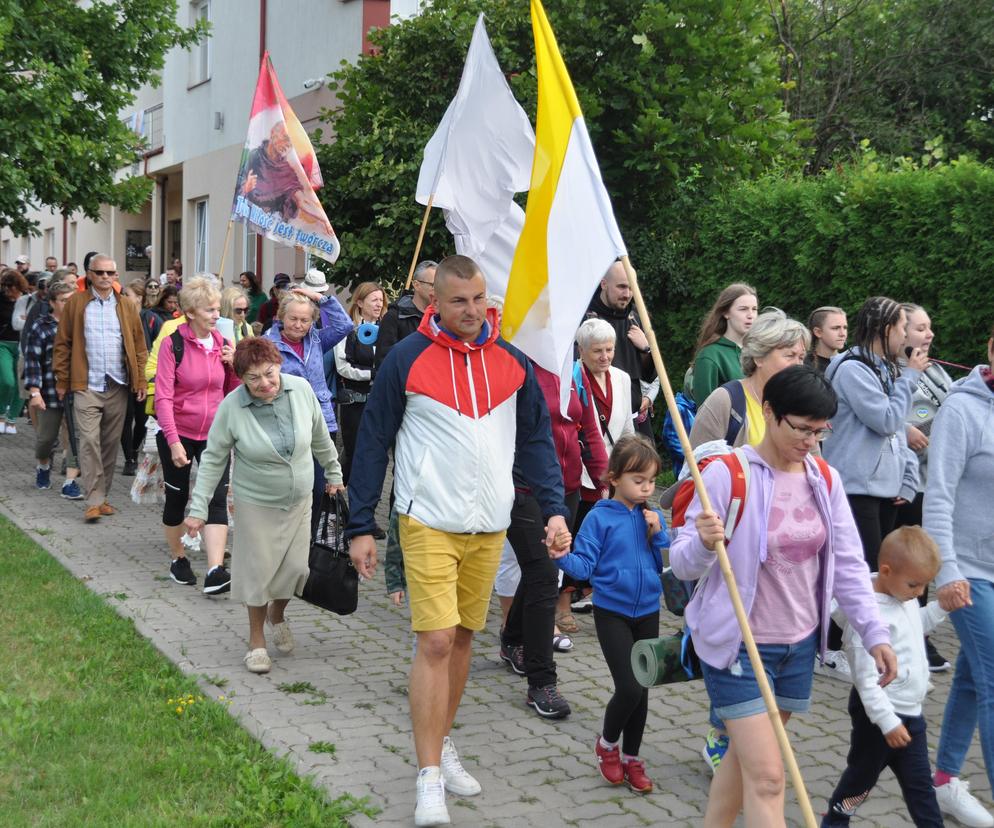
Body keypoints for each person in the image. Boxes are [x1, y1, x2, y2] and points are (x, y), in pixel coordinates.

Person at [345, 254, 571, 827]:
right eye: (458, 302)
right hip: (426, 520)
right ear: (435, 303)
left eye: (478, 300)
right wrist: (360, 526)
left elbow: (537, 441)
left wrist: (553, 509)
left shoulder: (512, 361)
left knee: (466, 637)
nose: (471, 311)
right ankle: (427, 778)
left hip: (489, 523)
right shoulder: (406, 358)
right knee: (437, 640)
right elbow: (372, 440)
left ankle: (442, 744)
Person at [670, 365, 896, 828]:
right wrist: (703, 543)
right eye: (801, 429)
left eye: (820, 431)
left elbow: (850, 564)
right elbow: (681, 564)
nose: (811, 441)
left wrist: (875, 634)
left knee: (742, 764)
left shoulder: (825, 480)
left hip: (798, 647)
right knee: (771, 778)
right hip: (739, 647)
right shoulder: (727, 475)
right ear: (769, 413)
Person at [184, 337, 344, 673]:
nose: (264, 383)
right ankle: (256, 640)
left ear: (279, 366)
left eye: (269, 373)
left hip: (300, 499)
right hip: (256, 502)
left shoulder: (301, 390)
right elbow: (213, 459)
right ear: (241, 379)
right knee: (257, 574)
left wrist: (334, 473)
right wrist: (198, 508)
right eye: (253, 378)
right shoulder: (232, 407)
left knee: (297, 568)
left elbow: (320, 438)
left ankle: (278, 614)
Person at [550, 434, 668, 793]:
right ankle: (607, 745)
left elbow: (666, 556)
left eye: (651, 481)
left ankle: (632, 758)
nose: (646, 488)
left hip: (648, 610)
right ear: (614, 478)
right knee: (629, 687)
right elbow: (584, 565)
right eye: (638, 480)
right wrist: (560, 557)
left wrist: (659, 534)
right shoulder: (599, 518)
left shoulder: (652, 514)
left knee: (643, 689)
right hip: (612, 612)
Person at [821, 297, 928, 679]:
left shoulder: (885, 368)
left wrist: (905, 478)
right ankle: (831, 647)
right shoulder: (852, 368)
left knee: (875, 572)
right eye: (902, 328)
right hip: (854, 485)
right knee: (864, 571)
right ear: (885, 330)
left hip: (883, 487)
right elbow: (885, 420)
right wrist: (912, 377)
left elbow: (898, 431)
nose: (907, 335)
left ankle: (871, 649)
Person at [500, 362, 609, 719]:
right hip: (522, 486)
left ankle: (512, 639)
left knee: (541, 573)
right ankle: (541, 682)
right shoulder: (514, 364)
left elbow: (588, 425)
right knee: (546, 573)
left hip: (567, 487)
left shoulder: (572, 371)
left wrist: (603, 477)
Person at [822, 526, 946, 827]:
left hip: (911, 716)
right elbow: (866, 682)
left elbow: (918, 624)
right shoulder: (867, 618)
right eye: (914, 585)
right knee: (858, 784)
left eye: (924, 587)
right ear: (886, 571)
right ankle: (834, 822)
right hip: (878, 718)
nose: (918, 593)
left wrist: (942, 607)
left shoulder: (903, 597)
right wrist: (888, 722)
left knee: (921, 790)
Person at [924, 323, 994, 828]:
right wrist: (945, 570)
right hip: (969, 571)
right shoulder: (962, 409)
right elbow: (940, 493)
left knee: (973, 678)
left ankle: (946, 781)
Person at [154, 277, 238, 593]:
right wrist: (174, 441)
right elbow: (163, 397)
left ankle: (216, 570)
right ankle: (178, 559)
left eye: (218, 309)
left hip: (214, 435)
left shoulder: (222, 344)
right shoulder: (172, 344)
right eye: (210, 310)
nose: (217, 315)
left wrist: (233, 368)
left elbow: (231, 394)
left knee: (217, 499)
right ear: (190, 312)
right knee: (178, 498)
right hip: (179, 433)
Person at [53, 254, 148, 522]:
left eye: (111, 273)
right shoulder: (77, 304)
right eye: (100, 273)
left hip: (117, 384)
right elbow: (63, 344)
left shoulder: (127, 306)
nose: (106, 277)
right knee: (88, 441)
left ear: (116, 276)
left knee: (108, 444)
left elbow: (140, 348)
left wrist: (140, 380)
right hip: (86, 383)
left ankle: (102, 497)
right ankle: (93, 498)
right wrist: (62, 380)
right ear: (89, 274)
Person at [558, 317, 631, 633]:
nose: (604, 356)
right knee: (576, 539)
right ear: (582, 351)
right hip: (581, 475)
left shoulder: (623, 378)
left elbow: (626, 426)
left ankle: (600, 596)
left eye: (609, 350)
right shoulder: (571, 378)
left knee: (608, 540)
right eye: (597, 351)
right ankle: (561, 603)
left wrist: (631, 467)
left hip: (613, 474)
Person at [264, 284, 352, 537]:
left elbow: (344, 325)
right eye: (293, 318)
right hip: (287, 424)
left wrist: (318, 298)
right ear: (281, 317)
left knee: (318, 488)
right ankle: (285, 536)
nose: (299, 325)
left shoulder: (316, 339)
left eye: (305, 320)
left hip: (322, 421)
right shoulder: (268, 345)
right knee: (293, 487)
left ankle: (311, 540)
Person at [895, 303, 954, 672]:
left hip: (936, 482)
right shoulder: (894, 374)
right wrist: (906, 430)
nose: (928, 335)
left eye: (929, 327)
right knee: (909, 561)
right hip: (908, 486)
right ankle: (909, 638)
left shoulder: (938, 371)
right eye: (920, 329)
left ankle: (917, 634)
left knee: (926, 559)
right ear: (901, 334)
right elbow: (886, 418)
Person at [689, 308, 809, 449]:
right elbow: (697, 466)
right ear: (759, 357)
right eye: (790, 355)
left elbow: (815, 467)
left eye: (801, 358)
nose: (797, 365)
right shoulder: (725, 401)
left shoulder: (801, 404)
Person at [584, 261, 658, 439]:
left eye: (631, 288)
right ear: (604, 284)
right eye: (622, 287)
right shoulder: (586, 321)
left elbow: (649, 375)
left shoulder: (635, 319)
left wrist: (646, 350)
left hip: (634, 417)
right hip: (599, 418)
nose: (627, 294)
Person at [22, 281, 83, 498]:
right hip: (49, 392)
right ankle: (43, 467)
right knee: (46, 439)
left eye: (72, 300)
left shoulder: (82, 324)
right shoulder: (42, 326)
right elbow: (32, 361)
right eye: (65, 300)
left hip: (78, 391)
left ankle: (70, 482)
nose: (70, 304)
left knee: (78, 438)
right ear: (52, 303)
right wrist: (35, 393)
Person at [334, 281, 384, 484]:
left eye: (381, 300)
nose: (379, 304)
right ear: (360, 303)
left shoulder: (387, 331)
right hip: (355, 405)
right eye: (374, 300)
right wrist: (372, 374)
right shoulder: (350, 330)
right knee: (355, 454)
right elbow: (343, 367)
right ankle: (340, 498)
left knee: (375, 456)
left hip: (379, 403)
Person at [688, 283, 758, 404]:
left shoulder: (759, 352)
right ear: (726, 313)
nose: (750, 315)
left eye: (754, 309)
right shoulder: (710, 356)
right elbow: (705, 412)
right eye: (743, 309)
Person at [375, 260, 436, 368]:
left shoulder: (441, 319)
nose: (438, 289)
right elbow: (384, 362)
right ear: (416, 285)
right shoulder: (394, 317)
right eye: (433, 284)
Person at [119, 280, 149, 476]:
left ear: (138, 297)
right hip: (123, 375)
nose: (122, 298)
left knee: (142, 418)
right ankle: (129, 458)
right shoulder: (118, 315)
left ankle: (135, 449)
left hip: (145, 376)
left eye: (126, 294)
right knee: (125, 417)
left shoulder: (150, 319)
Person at [0, 269, 29, 433]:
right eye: (4, 286)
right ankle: (1, 412)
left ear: (19, 286)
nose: (7, 290)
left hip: (22, 345)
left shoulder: (27, 300)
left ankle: (12, 418)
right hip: (3, 344)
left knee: (21, 384)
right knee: (7, 381)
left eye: (10, 286)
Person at [805, 306, 848, 375]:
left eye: (845, 328)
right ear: (818, 332)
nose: (842, 334)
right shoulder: (802, 365)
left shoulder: (850, 363)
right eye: (835, 328)